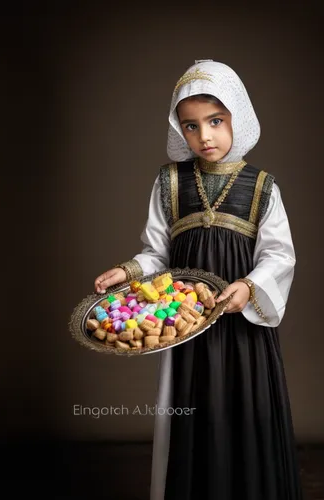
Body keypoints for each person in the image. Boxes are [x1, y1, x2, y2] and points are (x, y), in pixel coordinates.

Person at [94, 60, 303, 500]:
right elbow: (156, 253)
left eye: (215, 121)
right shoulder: (170, 183)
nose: (203, 136)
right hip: (185, 327)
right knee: (190, 414)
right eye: (190, 126)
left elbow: (278, 255)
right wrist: (128, 271)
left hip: (242, 327)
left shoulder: (262, 186)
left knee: (245, 410)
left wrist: (248, 286)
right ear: (179, 129)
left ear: (237, 118)